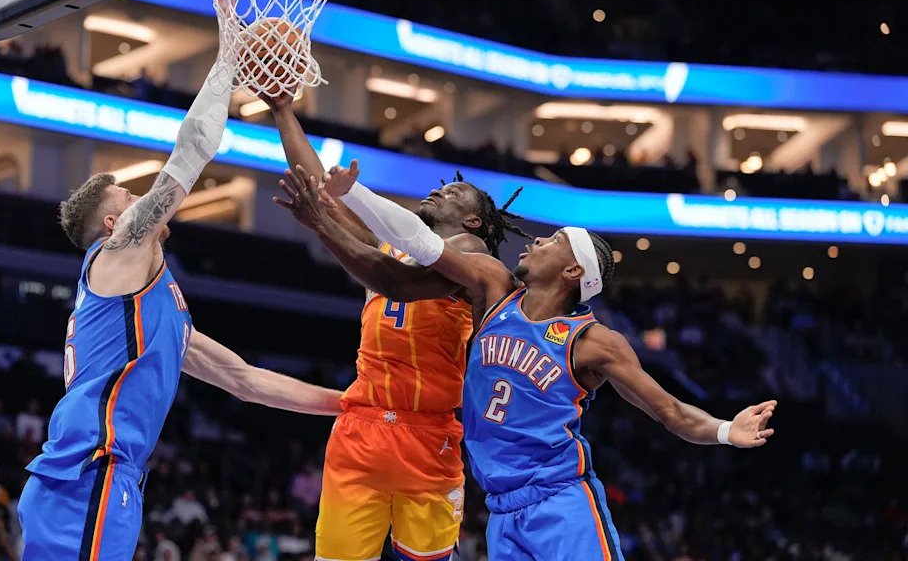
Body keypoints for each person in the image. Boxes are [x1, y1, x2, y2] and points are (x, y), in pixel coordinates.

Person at [16, 0, 344, 561]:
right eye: (133, 196)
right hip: (89, 470)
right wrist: (228, 60)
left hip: (101, 476)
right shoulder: (114, 253)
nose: (150, 200)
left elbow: (243, 379)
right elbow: (190, 152)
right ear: (117, 223)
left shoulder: (153, 314)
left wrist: (347, 402)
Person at [320, 161, 779, 561]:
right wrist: (335, 199)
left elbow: (670, 412)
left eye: (555, 239)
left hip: (561, 501)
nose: (539, 238)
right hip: (500, 508)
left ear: (573, 271)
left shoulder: (594, 341)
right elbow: (421, 245)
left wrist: (725, 431)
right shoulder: (493, 295)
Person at [266, 93, 528, 561]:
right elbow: (320, 190)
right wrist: (284, 111)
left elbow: (396, 281)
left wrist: (325, 223)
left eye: (452, 193)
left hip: (428, 438)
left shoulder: (474, 260)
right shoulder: (386, 252)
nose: (437, 191)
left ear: (472, 219)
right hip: (362, 428)